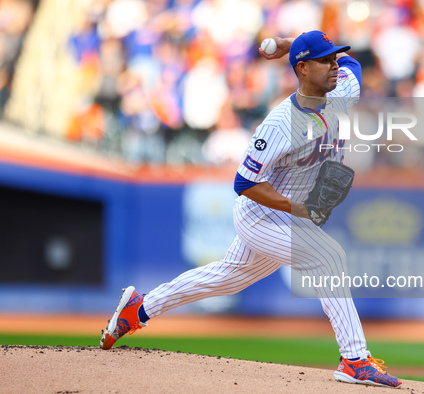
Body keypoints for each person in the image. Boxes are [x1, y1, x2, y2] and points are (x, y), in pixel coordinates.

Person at [99, 30, 402, 389]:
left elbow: (353, 65)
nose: (335, 66)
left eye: (334, 59)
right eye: (325, 60)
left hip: (287, 215)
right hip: (262, 214)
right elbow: (244, 182)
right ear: (303, 70)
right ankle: (354, 359)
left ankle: (140, 308)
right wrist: (296, 207)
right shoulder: (280, 124)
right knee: (329, 258)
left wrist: (292, 45)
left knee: (227, 277)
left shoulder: (340, 90)